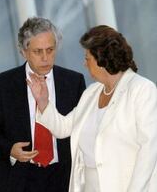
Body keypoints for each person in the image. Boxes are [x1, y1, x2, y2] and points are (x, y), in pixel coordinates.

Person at [27, 25, 157, 192]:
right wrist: (43, 101)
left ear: (101, 59)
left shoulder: (142, 90)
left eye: (87, 58)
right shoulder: (91, 93)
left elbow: (150, 150)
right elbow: (63, 128)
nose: (84, 63)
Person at [0, 17, 86, 192]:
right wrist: (10, 150)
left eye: (50, 50)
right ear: (23, 51)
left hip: (64, 176)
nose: (45, 58)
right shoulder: (2, 84)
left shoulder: (74, 82)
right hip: (19, 178)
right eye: (38, 51)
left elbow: (82, 129)